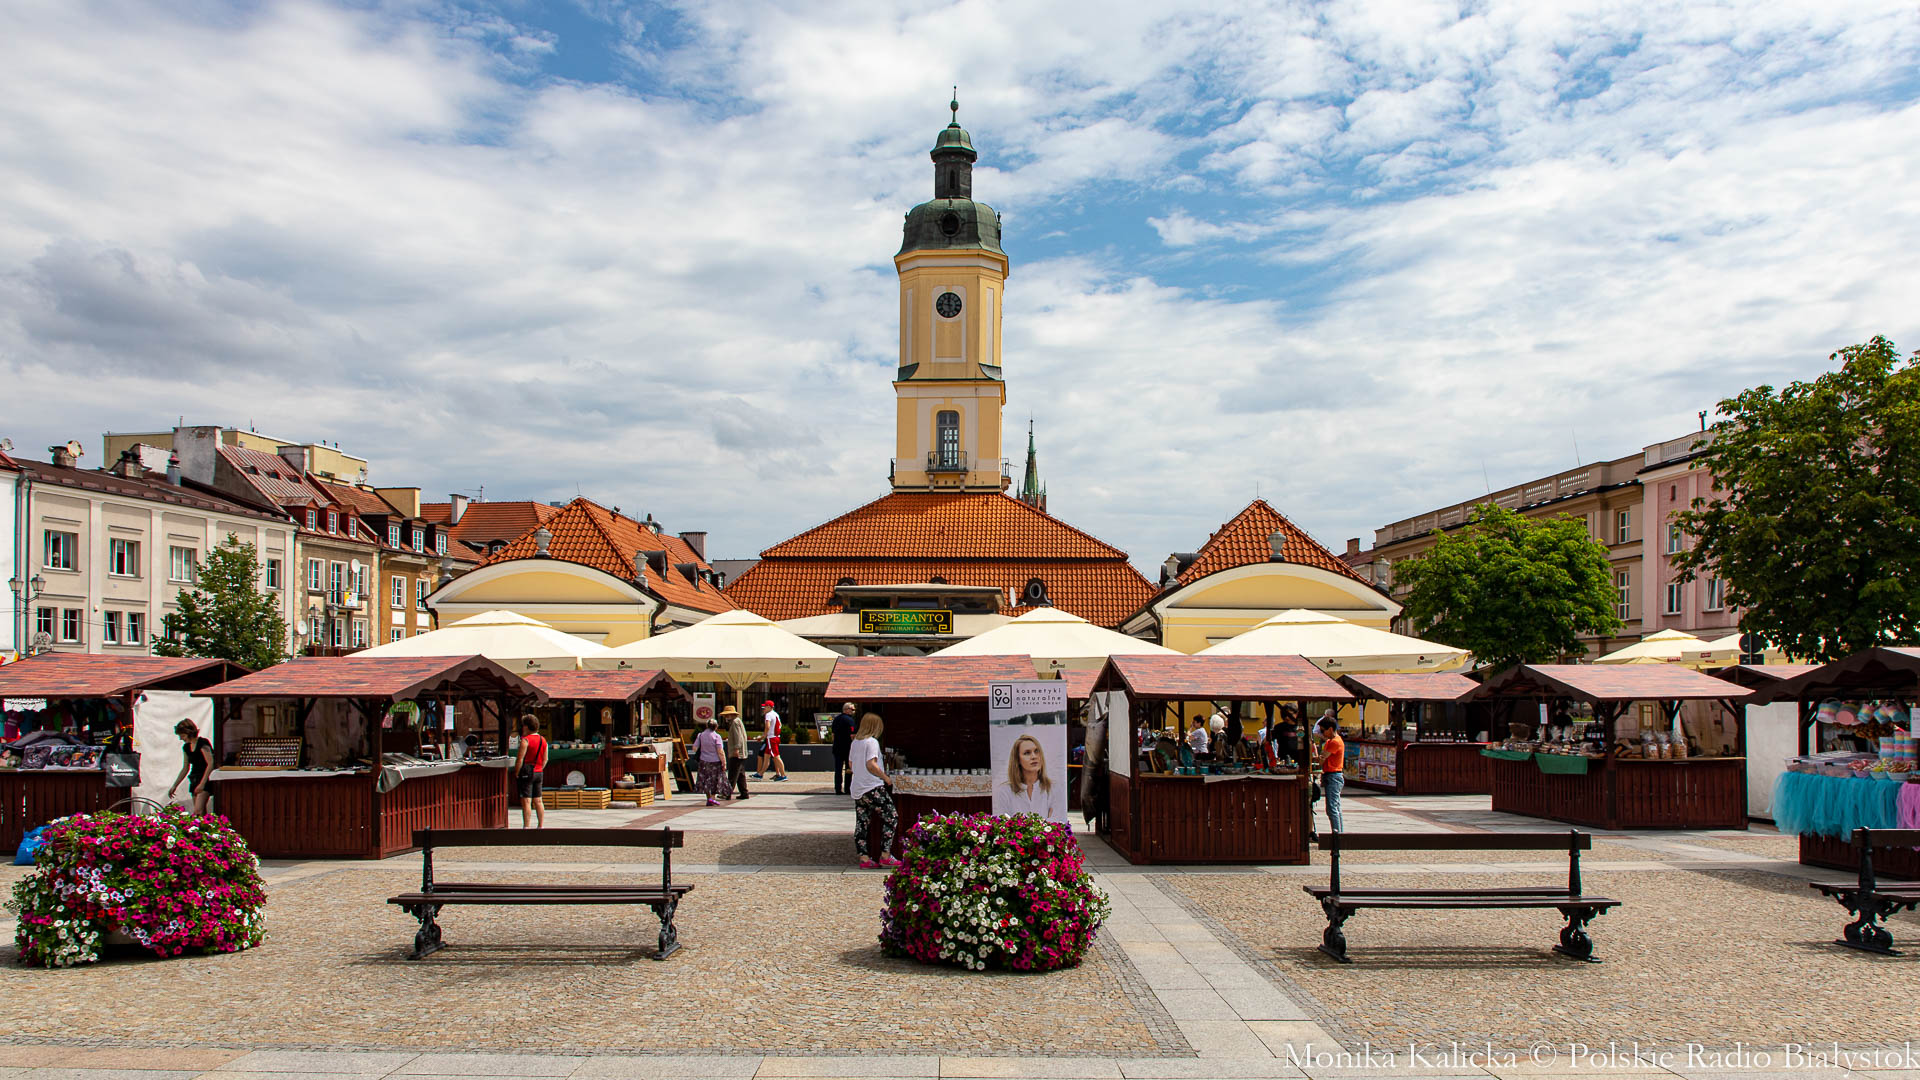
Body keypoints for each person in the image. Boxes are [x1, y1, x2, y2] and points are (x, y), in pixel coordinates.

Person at [848, 712, 900, 869]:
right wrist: (885, 778)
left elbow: (851, 764)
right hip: (872, 786)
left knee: (862, 822)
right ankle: (885, 854)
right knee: (891, 816)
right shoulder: (872, 742)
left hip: (858, 788)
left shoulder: (856, 742)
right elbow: (871, 764)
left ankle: (864, 857)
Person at [997, 732, 1067, 821]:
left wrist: (1019, 826)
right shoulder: (1004, 791)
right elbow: (1004, 827)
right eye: (1027, 753)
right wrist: (1046, 822)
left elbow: (1058, 825)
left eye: (1036, 751)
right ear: (1017, 759)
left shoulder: (1054, 788)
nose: (1034, 756)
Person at [166, 719, 216, 815]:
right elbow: (185, 768)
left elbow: (210, 763)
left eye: (182, 735)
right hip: (194, 778)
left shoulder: (202, 743)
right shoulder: (186, 747)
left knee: (198, 810)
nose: (181, 738)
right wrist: (175, 785)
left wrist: (202, 783)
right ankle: (204, 828)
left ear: (188, 732)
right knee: (201, 813)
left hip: (204, 778)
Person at [514, 715, 549, 828]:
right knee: (538, 800)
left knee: (527, 801)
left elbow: (520, 759)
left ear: (526, 727)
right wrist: (540, 768)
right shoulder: (543, 740)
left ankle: (527, 826)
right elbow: (545, 759)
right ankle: (541, 825)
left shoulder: (526, 740)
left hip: (527, 771)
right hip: (539, 771)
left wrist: (517, 772)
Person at [1316, 714, 1345, 834]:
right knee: (1335, 807)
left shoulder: (1335, 742)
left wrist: (1318, 758)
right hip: (1330, 775)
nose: (1322, 733)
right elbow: (1322, 757)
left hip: (1334, 775)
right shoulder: (1329, 741)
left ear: (1331, 729)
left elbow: (1322, 758)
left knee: (1332, 808)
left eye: (1323, 730)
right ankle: (1339, 834)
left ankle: (1337, 835)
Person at [693, 717, 728, 806]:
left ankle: (709, 798)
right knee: (715, 780)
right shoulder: (717, 736)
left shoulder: (700, 735)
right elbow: (720, 751)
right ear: (716, 727)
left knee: (705, 780)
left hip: (703, 761)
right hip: (715, 761)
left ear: (707, 726)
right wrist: (724, 762)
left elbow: (694, 748)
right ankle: (712, 798)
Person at [752, 700, 788, 781]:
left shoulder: (768, 715)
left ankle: (783, 775)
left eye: (765, 707)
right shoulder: (776, 714)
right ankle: (760, 774)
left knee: (776, 756)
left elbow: (767, 726)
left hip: (771, 738)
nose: (763, 709)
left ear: (769, 707)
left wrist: (764, 736)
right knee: (766, 756)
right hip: (776, 737)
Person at [722, 705, 750, 801]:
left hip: (737, 753)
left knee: (733, 774)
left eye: (726, 716)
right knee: (740, 775)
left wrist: (736, 749)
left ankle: (727, 793)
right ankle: (744, 792)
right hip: (742, 753)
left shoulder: (735, 722)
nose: (725, 718)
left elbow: (739, 737)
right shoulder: (738, 721)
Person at [831, 701, 858, 795]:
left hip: (837, 748)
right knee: (848, 769)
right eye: (852, 709)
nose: (854, 711)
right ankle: (848, 788)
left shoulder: (836, 719)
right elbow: (853, 735)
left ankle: (838, 788)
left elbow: (833, 734)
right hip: (847, 749)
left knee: (838, 769)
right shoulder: (850, 720)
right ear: (847, 710)